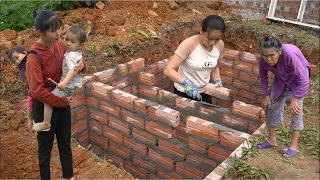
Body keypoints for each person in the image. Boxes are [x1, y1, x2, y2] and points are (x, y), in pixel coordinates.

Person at [26, 9, 86, 179]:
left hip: (61, 99)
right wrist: (61, 102)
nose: (59, 34)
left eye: (59, 28)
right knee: (45, 151)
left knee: (65, 145)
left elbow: (74, 60)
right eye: (53, 30)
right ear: (40, 32)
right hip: (45, 105)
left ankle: (69, 176)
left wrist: (82, 65)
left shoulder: (60, 44)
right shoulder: (33, 57)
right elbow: (37, 91)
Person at [256, 35, 310, 158]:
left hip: (298, 78)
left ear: (279, 52)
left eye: (272, 55)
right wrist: (266, 95)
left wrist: (295, 99)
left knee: (296, 110)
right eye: (265, 56)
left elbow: (303, 80)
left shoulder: (289, 55)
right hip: (280, 77)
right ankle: (272, 140)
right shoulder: (263, 59)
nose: (269, 59)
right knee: (270, 106)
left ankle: (294, 147)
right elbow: (263, 76)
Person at [33, 26, 86, 132]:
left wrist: (64, 83)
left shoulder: (70, 55)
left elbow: (72, 71)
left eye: (72, 42)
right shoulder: (73, 52)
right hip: (71, 85)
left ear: (80, 45)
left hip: (68, 85)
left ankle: (46, 123)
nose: (68, 43)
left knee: (48, 100)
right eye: (66, 39)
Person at [163, 15, 225, 103]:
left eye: (217, 39)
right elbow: (168, 70)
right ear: (201, 32)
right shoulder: (189, 44)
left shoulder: (220, 45)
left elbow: (215, 66)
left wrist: (217, 79)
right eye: (209, 38)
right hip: (184, 91)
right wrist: (186, 83)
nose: (212, 43)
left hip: (204, 90)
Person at [8, 45, 32, 129]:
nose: (17, 61)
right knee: (29, 105)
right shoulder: (22, 65)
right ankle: (30, 120)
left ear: (25, 53)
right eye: (14, 61)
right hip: (32, 89)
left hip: (37, 88)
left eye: (17, 58)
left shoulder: (31, 60)